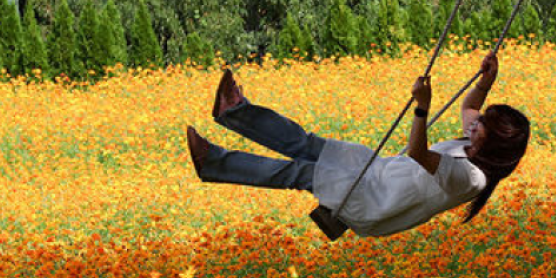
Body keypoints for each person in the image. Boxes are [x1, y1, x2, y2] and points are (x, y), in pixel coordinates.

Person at [185, 52, 529, 237]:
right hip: (378, 174)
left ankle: (214, 163)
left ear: (494, 144)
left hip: (376, 201)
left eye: (484, 125)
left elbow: (419, 153)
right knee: (310, 145)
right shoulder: (473, 144)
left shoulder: (471, 178)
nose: (476, 122)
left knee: (302, 171)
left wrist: (422, 107)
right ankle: (235, 112)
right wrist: (486, 83)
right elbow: (470, 107)